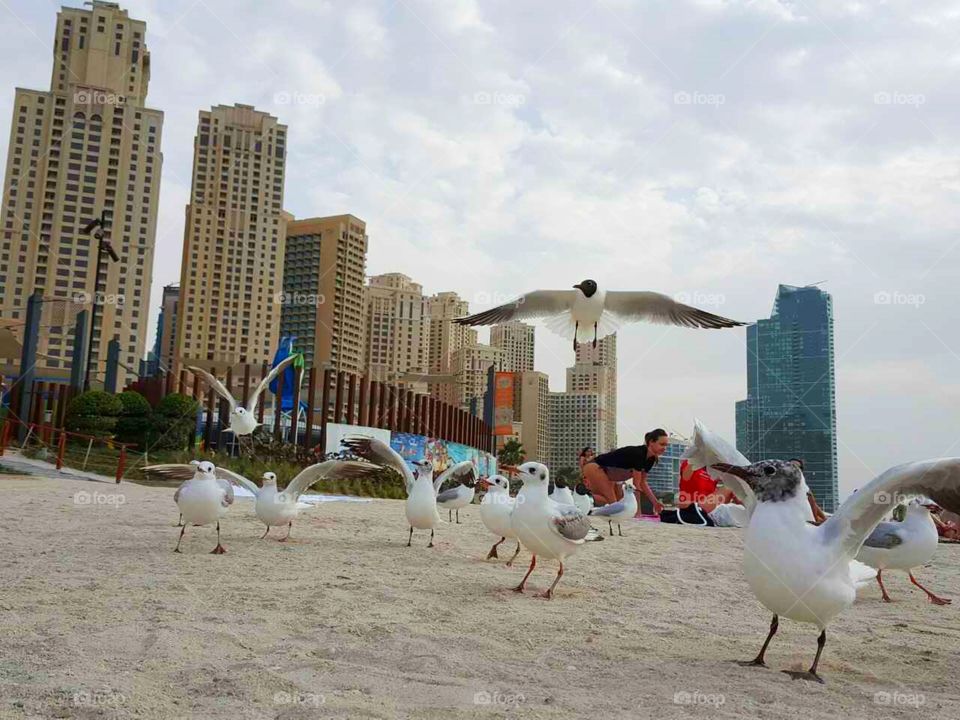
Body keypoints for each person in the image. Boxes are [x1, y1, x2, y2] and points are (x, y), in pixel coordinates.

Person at [581, 429, 667, 514]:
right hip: (596, 467)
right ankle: (580, 498)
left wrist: (655, 503)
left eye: (666, 445)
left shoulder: (650, 459)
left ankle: (582, 498)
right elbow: (636, 484)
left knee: (613, 502)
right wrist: (637, 513)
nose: (664, 448)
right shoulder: (639, 454)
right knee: (614, 504)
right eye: (662, 444)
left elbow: (643, 483)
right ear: (651, 442)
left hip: (607, 473)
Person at [789, 458, 828, 524]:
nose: (794, 468)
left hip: (803, 521)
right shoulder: (780, 484)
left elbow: (813, 504)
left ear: (801, 470)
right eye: (791, 465)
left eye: (797, 466)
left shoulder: (804, 488)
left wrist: (822, 519)